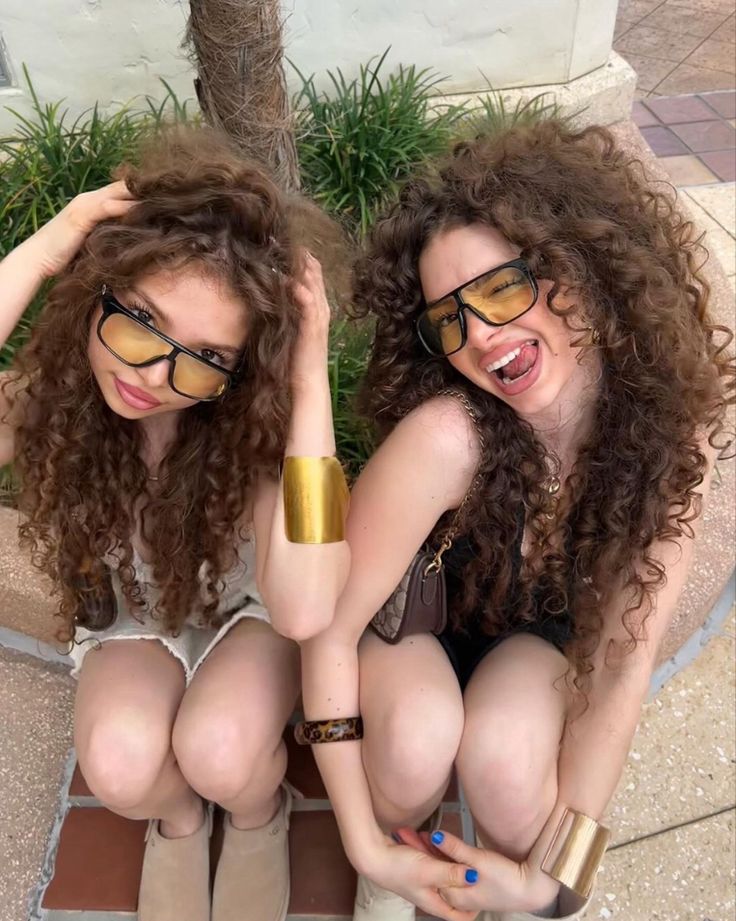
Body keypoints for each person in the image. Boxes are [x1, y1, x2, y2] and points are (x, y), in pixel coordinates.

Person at [297, 120, 734, 921]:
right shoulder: (449, 437)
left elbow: (620, 668)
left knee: (509, 770)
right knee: (417, 739)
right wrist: (365, 845)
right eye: (450, 321)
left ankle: (507, 886)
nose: (484, 338)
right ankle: (396, 865)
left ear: (586, 268)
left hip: (531, 645)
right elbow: (327, 630)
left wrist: (557, 887)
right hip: (411, 634)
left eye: (503, 287)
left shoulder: (668, 439)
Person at [0, 128, 349, 921]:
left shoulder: (255, 435)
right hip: (137, 619)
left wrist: (309, 375)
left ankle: (259, 812)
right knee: (121, 767)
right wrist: (48, 246)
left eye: (200, 358)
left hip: (247, 618)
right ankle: (181, 819)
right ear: (99, 290)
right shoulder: (51, 399)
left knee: (221, 751)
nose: (152, 377)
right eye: (139, 323)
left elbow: (305, 606)